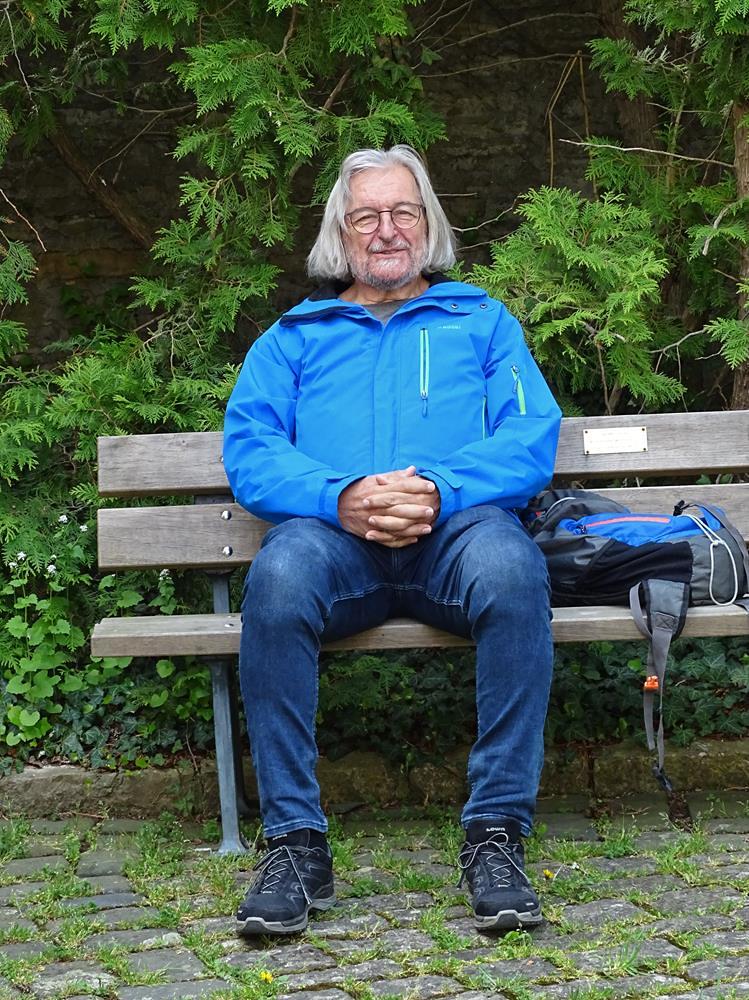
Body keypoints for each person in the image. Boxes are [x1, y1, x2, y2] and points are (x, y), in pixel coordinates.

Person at [223, 145, 562, 937]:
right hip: (333, 542)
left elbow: (528, 434)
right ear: (340, 235)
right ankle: (294, 844)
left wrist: (439, 489)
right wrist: (337, 498)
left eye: (402, 212)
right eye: (366, 216)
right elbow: (251, 448)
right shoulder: (292, 337)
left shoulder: (480, 321)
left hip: (457, 535)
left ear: (427, 223)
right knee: (277, 578)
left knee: (512, 571)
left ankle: (495, 832)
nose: (386, 230)